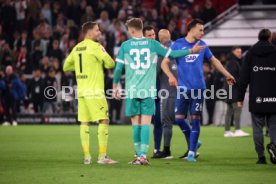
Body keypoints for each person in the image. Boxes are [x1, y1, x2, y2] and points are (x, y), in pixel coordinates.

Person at [113, 18, 205, 165]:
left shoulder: (125, 45)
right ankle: (143, 155)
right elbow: (173, 55)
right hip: (148, 91)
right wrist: (191, 50)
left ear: (131, 31)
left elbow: (118, 69)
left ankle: (138, 155)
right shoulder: (153, 44)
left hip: (132, 90)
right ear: (141, 28)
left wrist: (115, 86)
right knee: (146, 124)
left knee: (135, 124)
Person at [161, 19, 235, 162]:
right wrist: (171, 76)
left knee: (195, 119)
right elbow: (164, 63)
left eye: (203, 30)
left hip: (198, 88)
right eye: (200, 29)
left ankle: (191, 151)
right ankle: (194, 141)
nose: (202, 32)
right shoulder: (177, 44)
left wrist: (227, 75)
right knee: (179, 119)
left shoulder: (203, 45)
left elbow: (214, 61)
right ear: (191, 29)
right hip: (182, 89)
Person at [63, 21, 117, 165]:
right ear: (89, 32)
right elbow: (110, 63)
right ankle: (102, 156)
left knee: (84, 123)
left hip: (81, 92)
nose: (99, 32)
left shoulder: (77, 48)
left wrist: (83, 69)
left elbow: (66, 66)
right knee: (104, 120)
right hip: (95, 92)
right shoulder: (96, 47)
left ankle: (87, 157)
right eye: (97, 30)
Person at [238, 29, 276, 165]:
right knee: (274, 127)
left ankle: (261, 157)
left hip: (257, 97)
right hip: (274, 96)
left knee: (257, 128)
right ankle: (274, 148)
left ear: (258, 37)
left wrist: (240, 98)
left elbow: (243, 78)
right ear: (270, 38)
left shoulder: (250, 54)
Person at [153, 29, 176, 159]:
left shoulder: (161, 53)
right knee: (183, 120)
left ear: (160, 40)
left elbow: (155, 74)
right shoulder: (178, 49)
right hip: (183, 91)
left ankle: (166, 151)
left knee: (166, 121)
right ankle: (193, 147)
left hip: (167, 92)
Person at [142, 25, 163, 158]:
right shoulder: (139, 52)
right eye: (149, 35)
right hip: (143, 92)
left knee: (158, 121)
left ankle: (156, 149)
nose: (152, 37)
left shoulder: (159, 51)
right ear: (144, 36)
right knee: (141, 123)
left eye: (153, 34)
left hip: (157, 92)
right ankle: (140, 151)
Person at [224, 46, 249, 137]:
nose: (240, 53)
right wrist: (239, 86)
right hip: (234, 90)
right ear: (233, 52)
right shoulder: (233, 63)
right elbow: (232, 77)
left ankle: (227, 131)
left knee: (229, 111)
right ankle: (237, 130)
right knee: (237, 109)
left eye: (240, 52)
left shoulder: (232, 62)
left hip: (230, 90)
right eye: (238, 51)